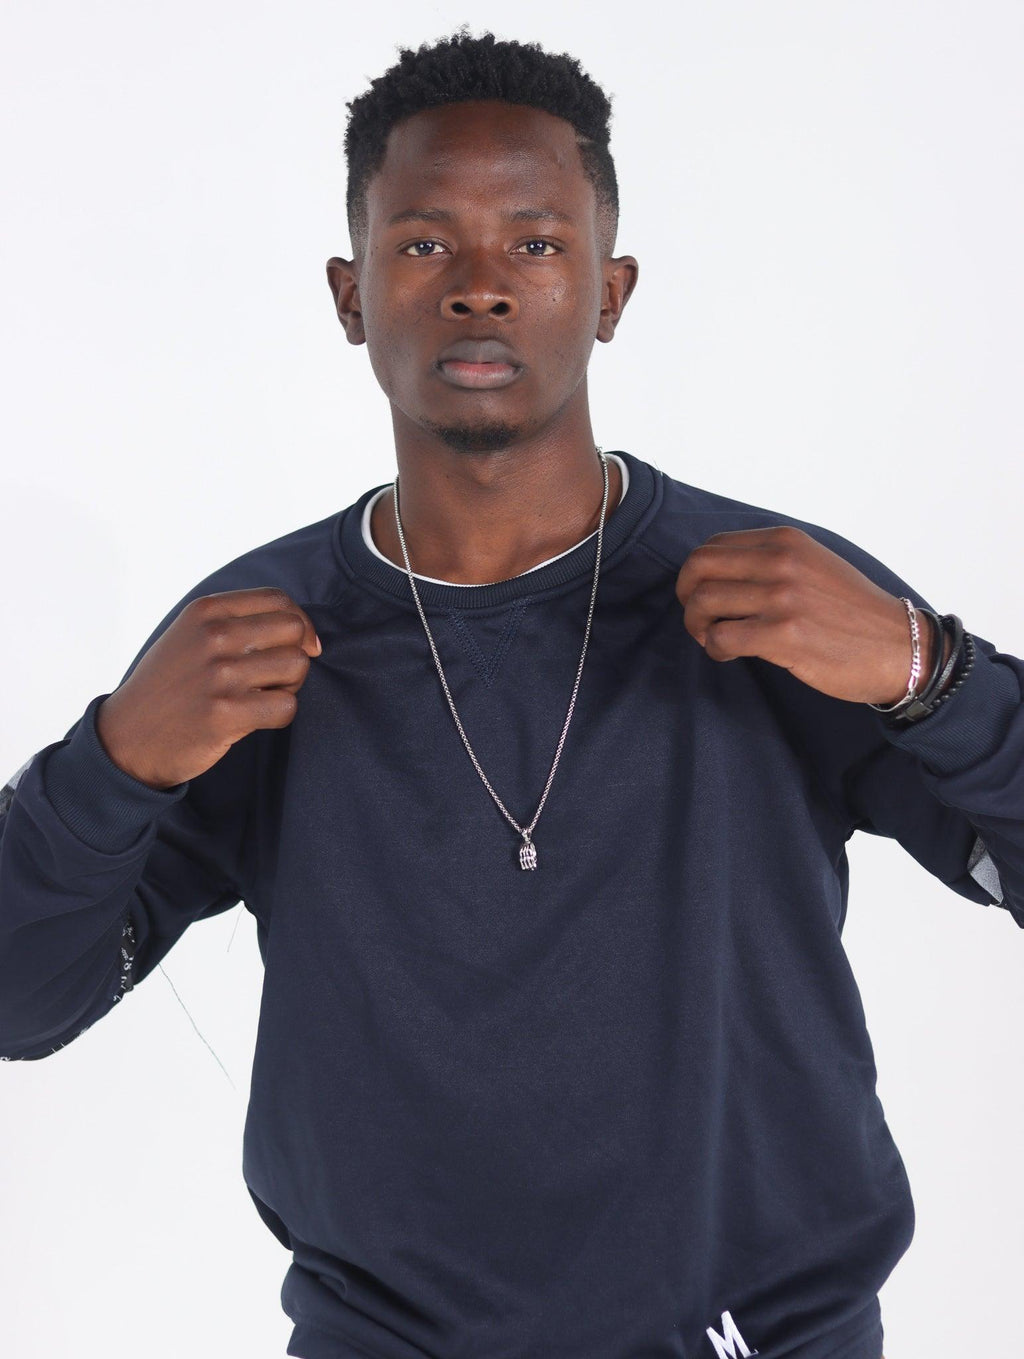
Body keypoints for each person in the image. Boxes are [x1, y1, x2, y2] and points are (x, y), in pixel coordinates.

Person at [0, 27, 1019, 1359]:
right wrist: (113, 765)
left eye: (535, 244)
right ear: (351, 294)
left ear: (609, 291)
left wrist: (933, 676)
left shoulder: (775, 596)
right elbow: (21, 1001)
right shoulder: (255, 640)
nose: (480, 288)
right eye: (425, 243)